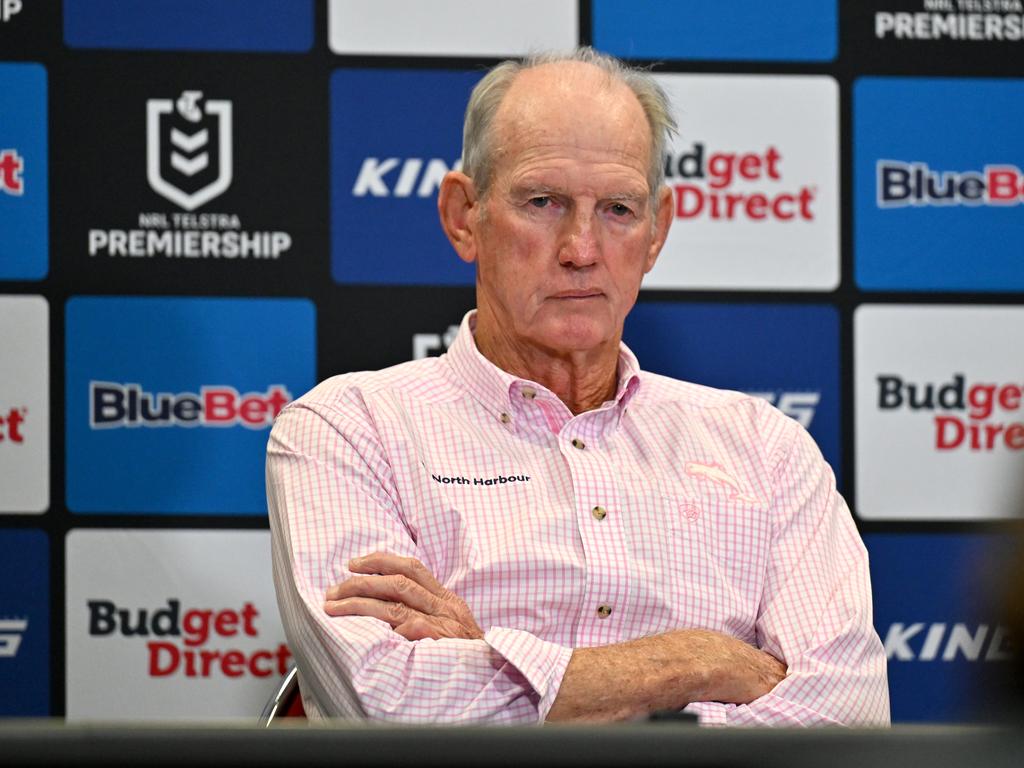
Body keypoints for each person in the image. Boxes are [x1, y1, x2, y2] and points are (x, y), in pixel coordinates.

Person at [267, 48, 890, 726]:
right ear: (462, 215)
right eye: (544, 202)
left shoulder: (765, 450)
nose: (582, 248)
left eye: (618, 209)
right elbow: (389, 703)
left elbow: (847, 718)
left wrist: (491, 661)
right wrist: (697, 663)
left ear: (657, 233)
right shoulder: (350, 429)